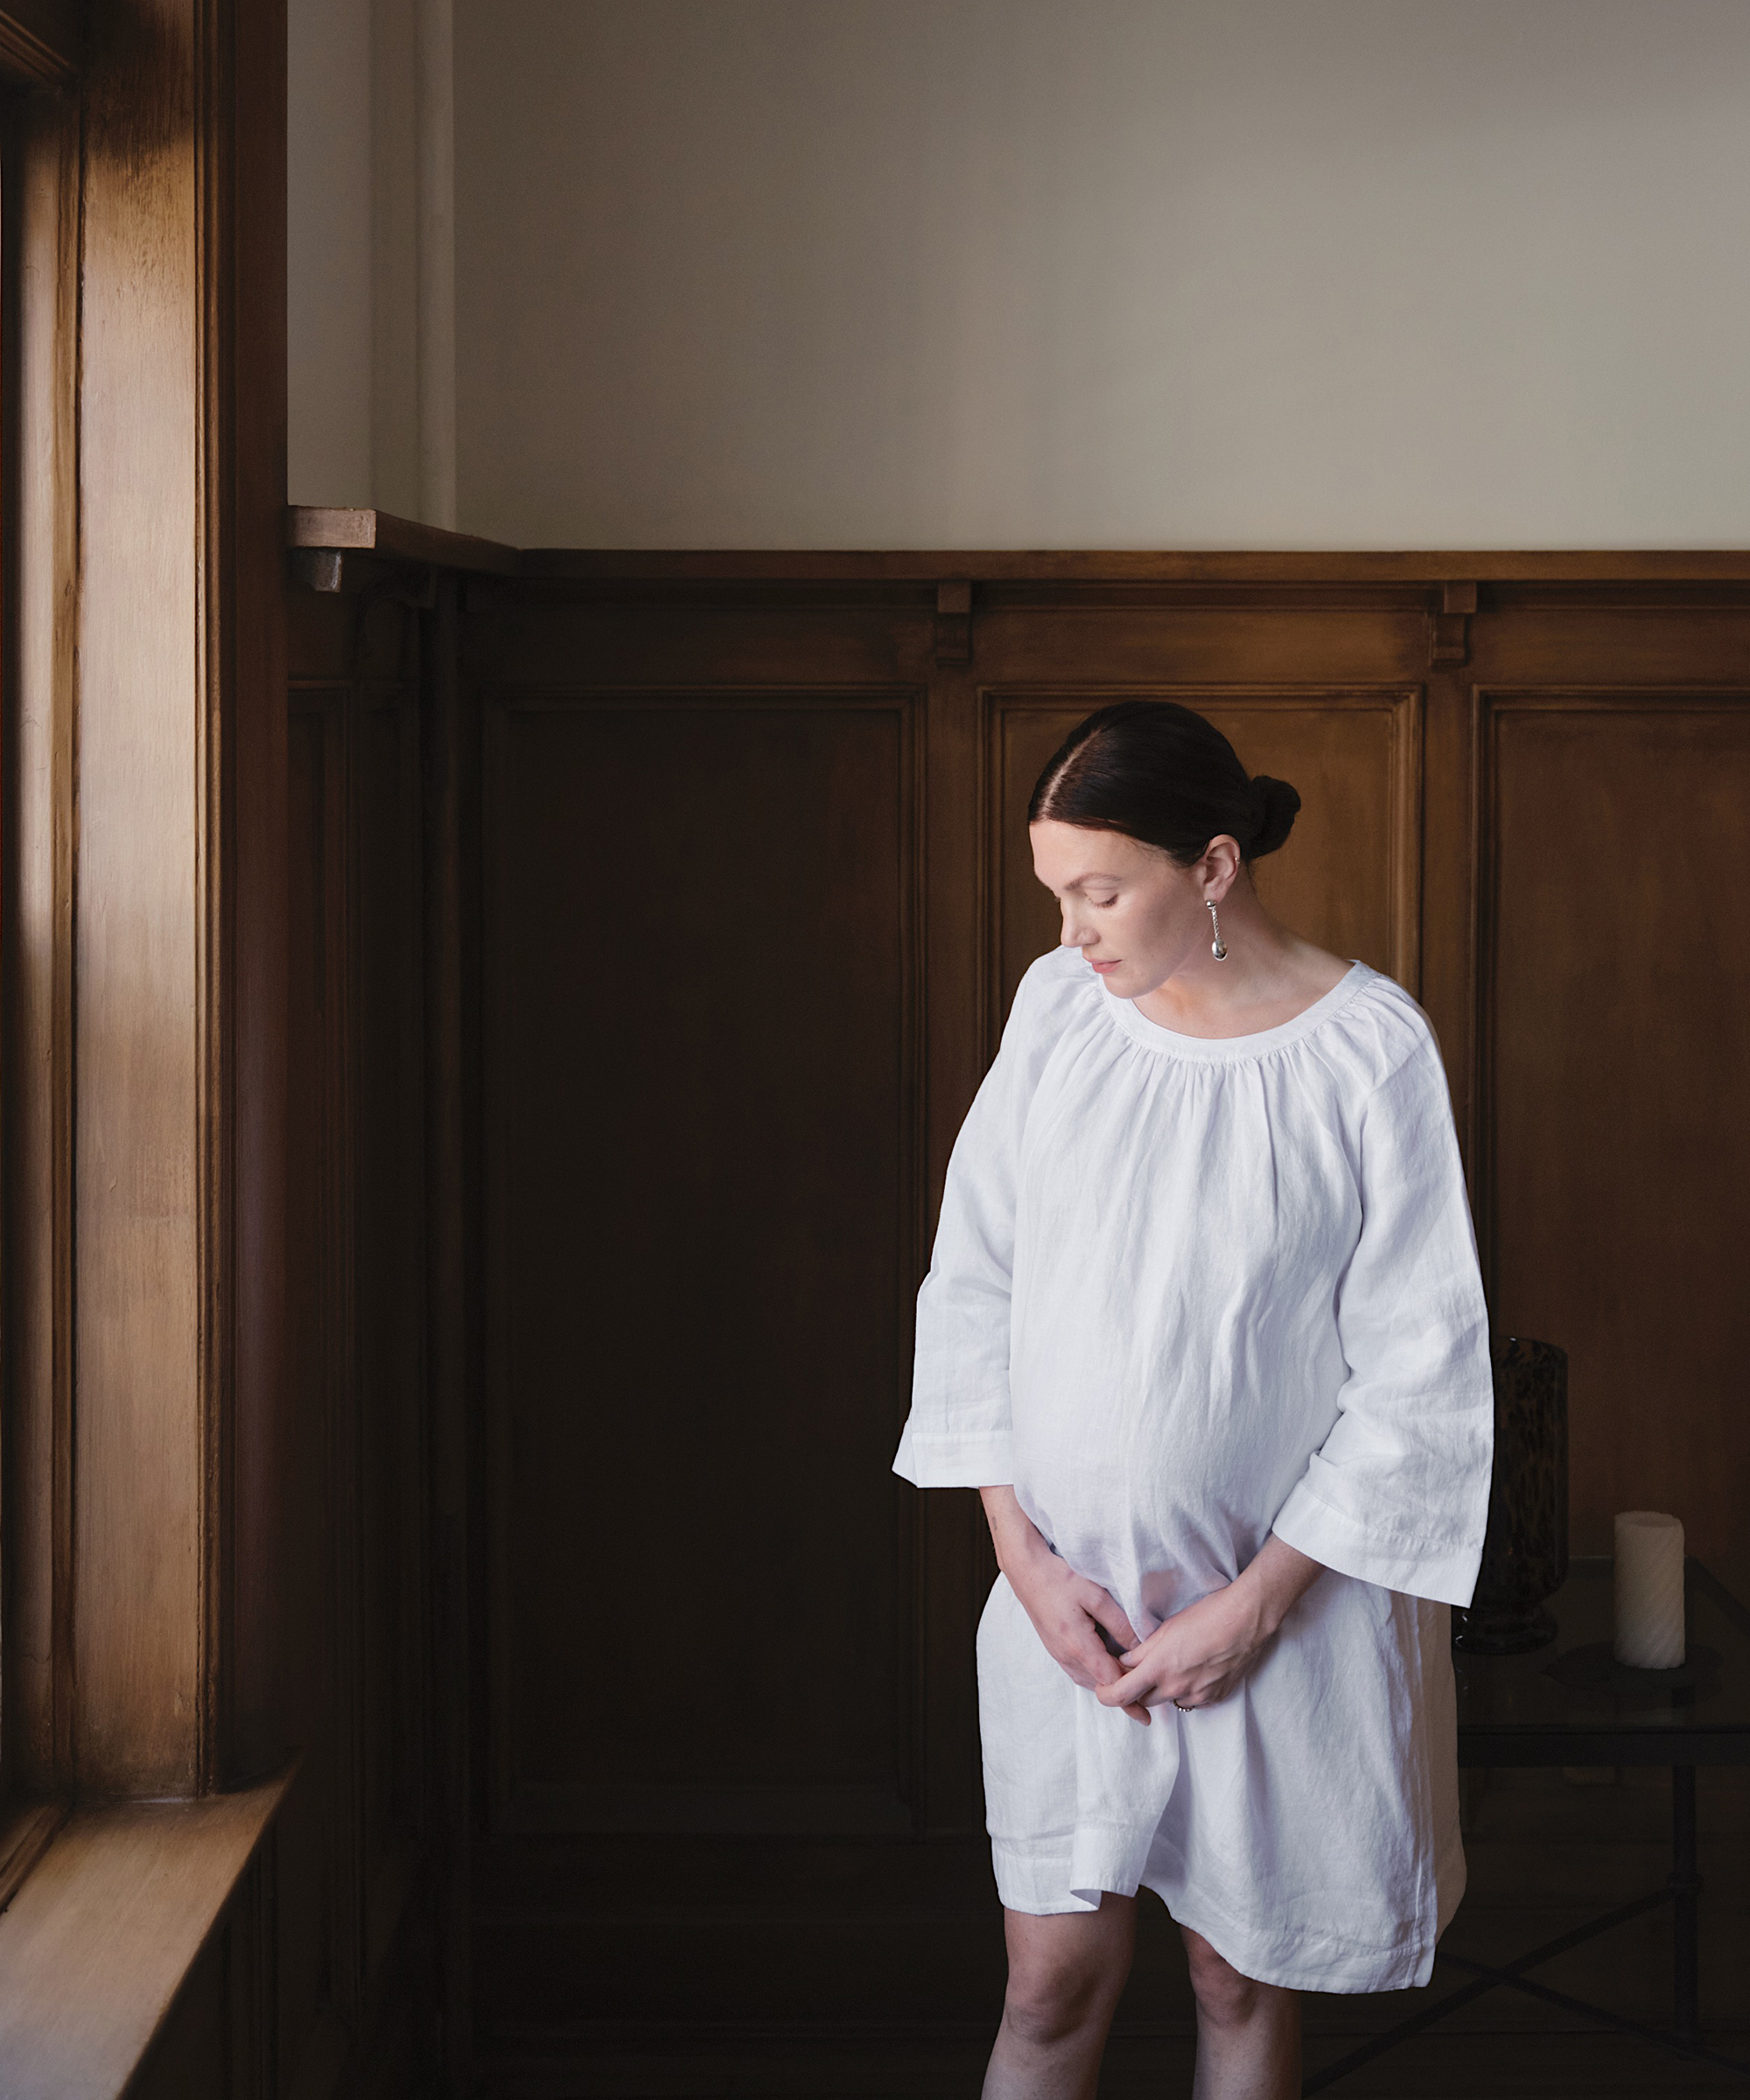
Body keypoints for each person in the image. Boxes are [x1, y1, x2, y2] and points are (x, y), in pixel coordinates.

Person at [892, 700, 1494, 2100]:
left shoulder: (1368, 1052)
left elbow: (1418, 1371)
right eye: (1056, 894)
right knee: (1047, 1987)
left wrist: (1256, 1607)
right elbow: (976, 1278)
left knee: (1236, 1977)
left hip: (1287, 1620)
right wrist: (1020, 1559)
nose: (1071, 934)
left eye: (1099, 893)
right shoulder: (1059, 1016)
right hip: (1071, 1617)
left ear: (1213, 869)